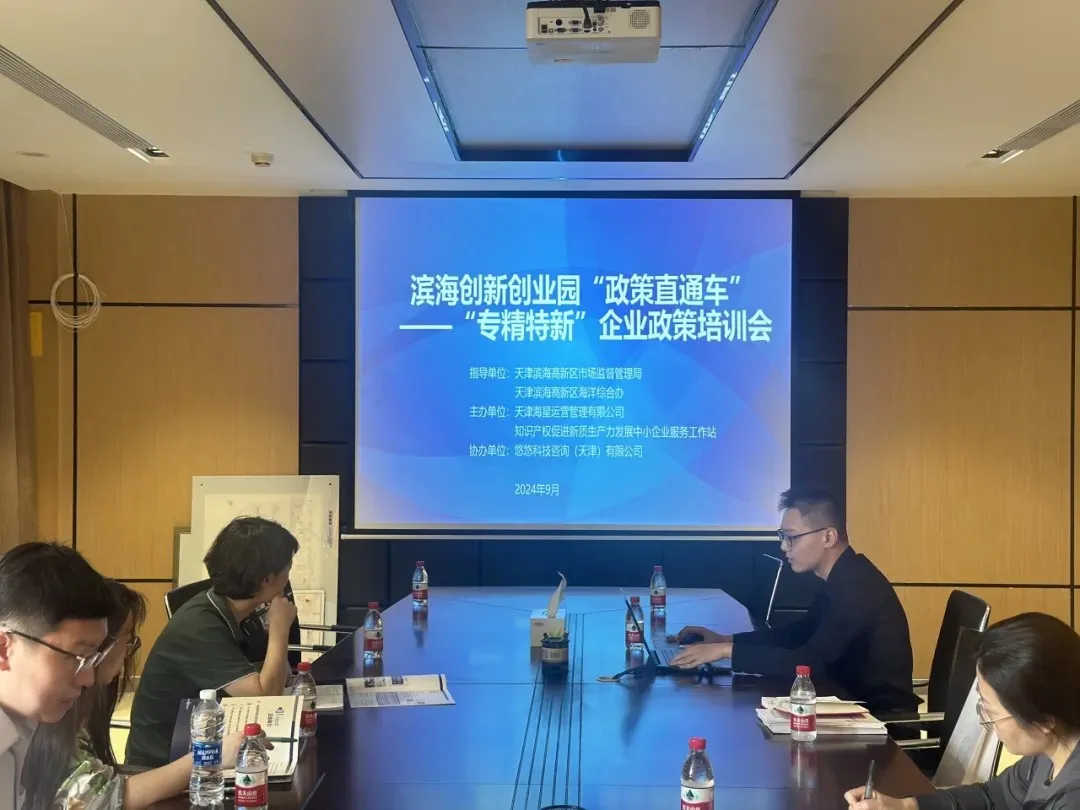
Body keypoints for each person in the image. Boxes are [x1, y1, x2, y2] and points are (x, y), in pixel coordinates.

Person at [671, 488, 919, 715]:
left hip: (880, 723)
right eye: (782, 536)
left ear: (828, 537)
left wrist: (727, 652)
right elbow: (795, 635)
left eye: (791, 537)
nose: (783, 546)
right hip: (846, 703)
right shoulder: (843, 577)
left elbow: (811, 662)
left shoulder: (857, 588)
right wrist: (726, 640)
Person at [22, 581, 247, 810]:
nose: (128, 652)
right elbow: (98, 798)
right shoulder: (53, 706)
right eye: (128, 640)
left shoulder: (83, 702)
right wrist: (209, 756)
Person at [845, 612, 1080, 809]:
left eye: (991, 712)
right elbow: (993, 797)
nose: (986, 722)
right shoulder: (1048, 752)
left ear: (1044, 721)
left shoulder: (1073, 797)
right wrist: (906, 806)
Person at [126, 517, 298, 767]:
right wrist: (280, 631)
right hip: (163, 763)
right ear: (266, 580)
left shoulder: (238, 610)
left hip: (203, 736)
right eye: (287, 568)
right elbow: (265, 696)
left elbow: (270, 673)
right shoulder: (200, 625)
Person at [0, 543, 115, 810]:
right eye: (76, 657)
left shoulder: (21, 727)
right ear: (4, 649)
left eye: (92, 658)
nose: (88, 679)